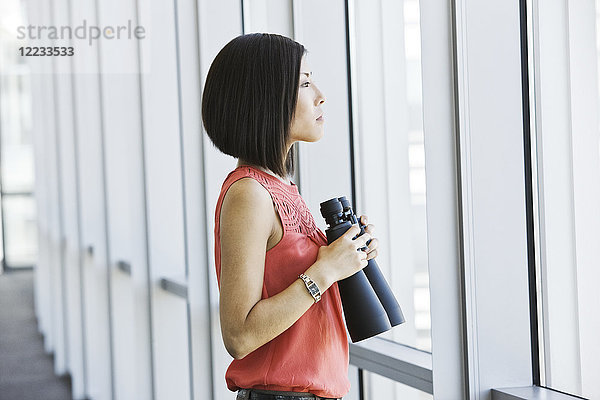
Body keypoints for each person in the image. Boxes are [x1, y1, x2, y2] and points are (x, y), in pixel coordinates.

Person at [201, 33, 380, 400]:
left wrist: (347, 257)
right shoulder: (249, 194)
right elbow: (239, 336)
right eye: (304, 83)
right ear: (266, 98)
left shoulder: (282, 188)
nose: (320, 94)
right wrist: (325, 270)